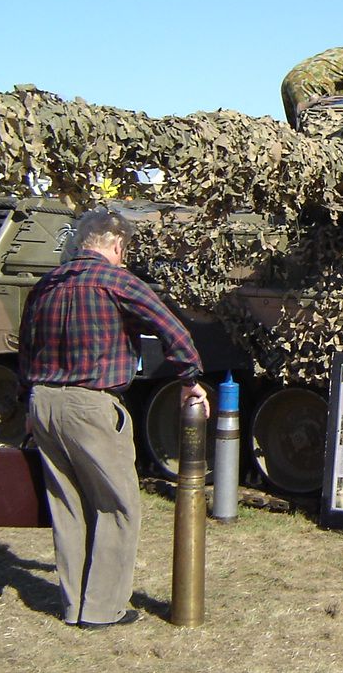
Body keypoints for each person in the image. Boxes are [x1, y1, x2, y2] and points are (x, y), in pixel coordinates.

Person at [17, 209, 210, 629]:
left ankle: (72, 606)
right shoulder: (115, 280)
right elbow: (172, 329)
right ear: (116, 245)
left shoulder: (46, 285)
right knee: (118, 506)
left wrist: (27, 407)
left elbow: (26, 347)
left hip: (42, 402)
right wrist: (189, 379)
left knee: (67, 507)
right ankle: (104, 610)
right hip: (91, 405)